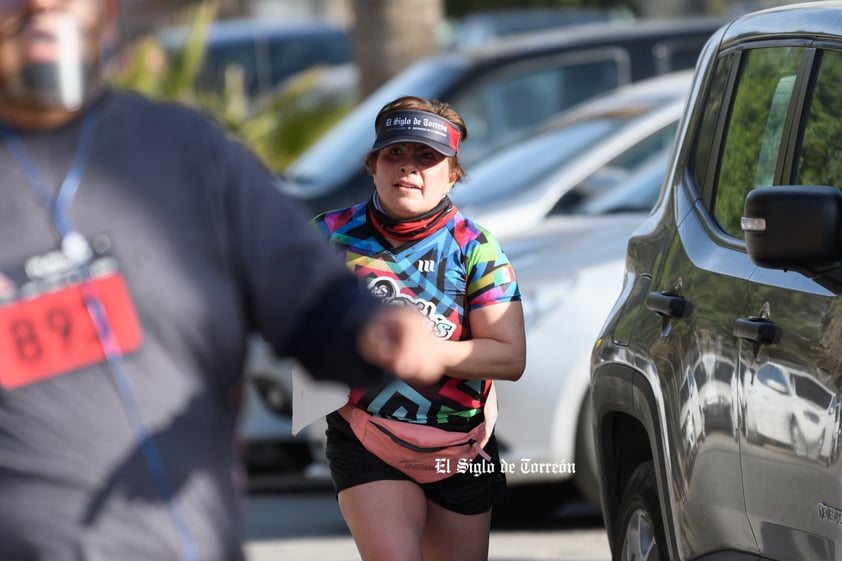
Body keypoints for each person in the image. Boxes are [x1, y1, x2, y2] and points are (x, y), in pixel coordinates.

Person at [0, 2, 447, 561]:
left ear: (108, 12)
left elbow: (308, 295)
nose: (43, 5)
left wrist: (369, 327)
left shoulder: (188, 152)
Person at [314, 95, 527, 561]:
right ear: (373, 164)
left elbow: (510, 357)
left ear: (452, 173)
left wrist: (426, 351)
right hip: (365, 435)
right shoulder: (327, 236)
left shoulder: (476, 247)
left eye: (426, 157)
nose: (408, 167)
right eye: (395, 153)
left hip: (460, 444)